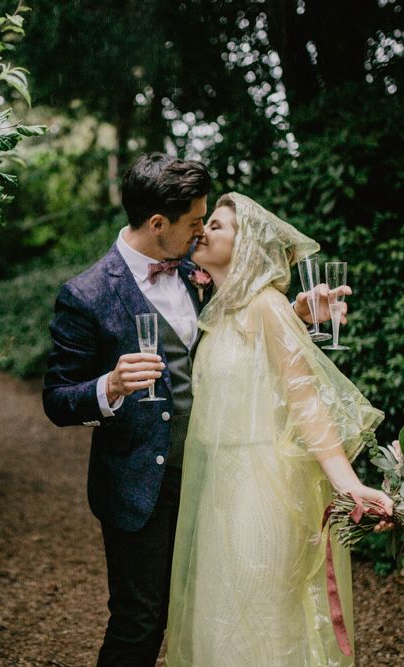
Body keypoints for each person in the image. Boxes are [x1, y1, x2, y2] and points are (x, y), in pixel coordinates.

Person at [42, 154, 338, 666]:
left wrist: (296, 319)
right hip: (139, 487)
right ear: (158, 224)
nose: (201, 231)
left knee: (206, 609)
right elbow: (57, 399)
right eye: (195, 222)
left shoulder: (197, 270)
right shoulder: (86, 295)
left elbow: (241, 342)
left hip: (217, 481)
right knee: (140, 619)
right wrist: (108, 387)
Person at [164, 192, 393, 667]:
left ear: (245, 245)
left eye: (219, 225)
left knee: (261, 606)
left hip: (263, 485)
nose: (203, 231)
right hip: (219, 486)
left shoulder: (267, 307)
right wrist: (302, 313)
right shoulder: (219, 309)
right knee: (219, 607)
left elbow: (306, 401)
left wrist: (347, 484)